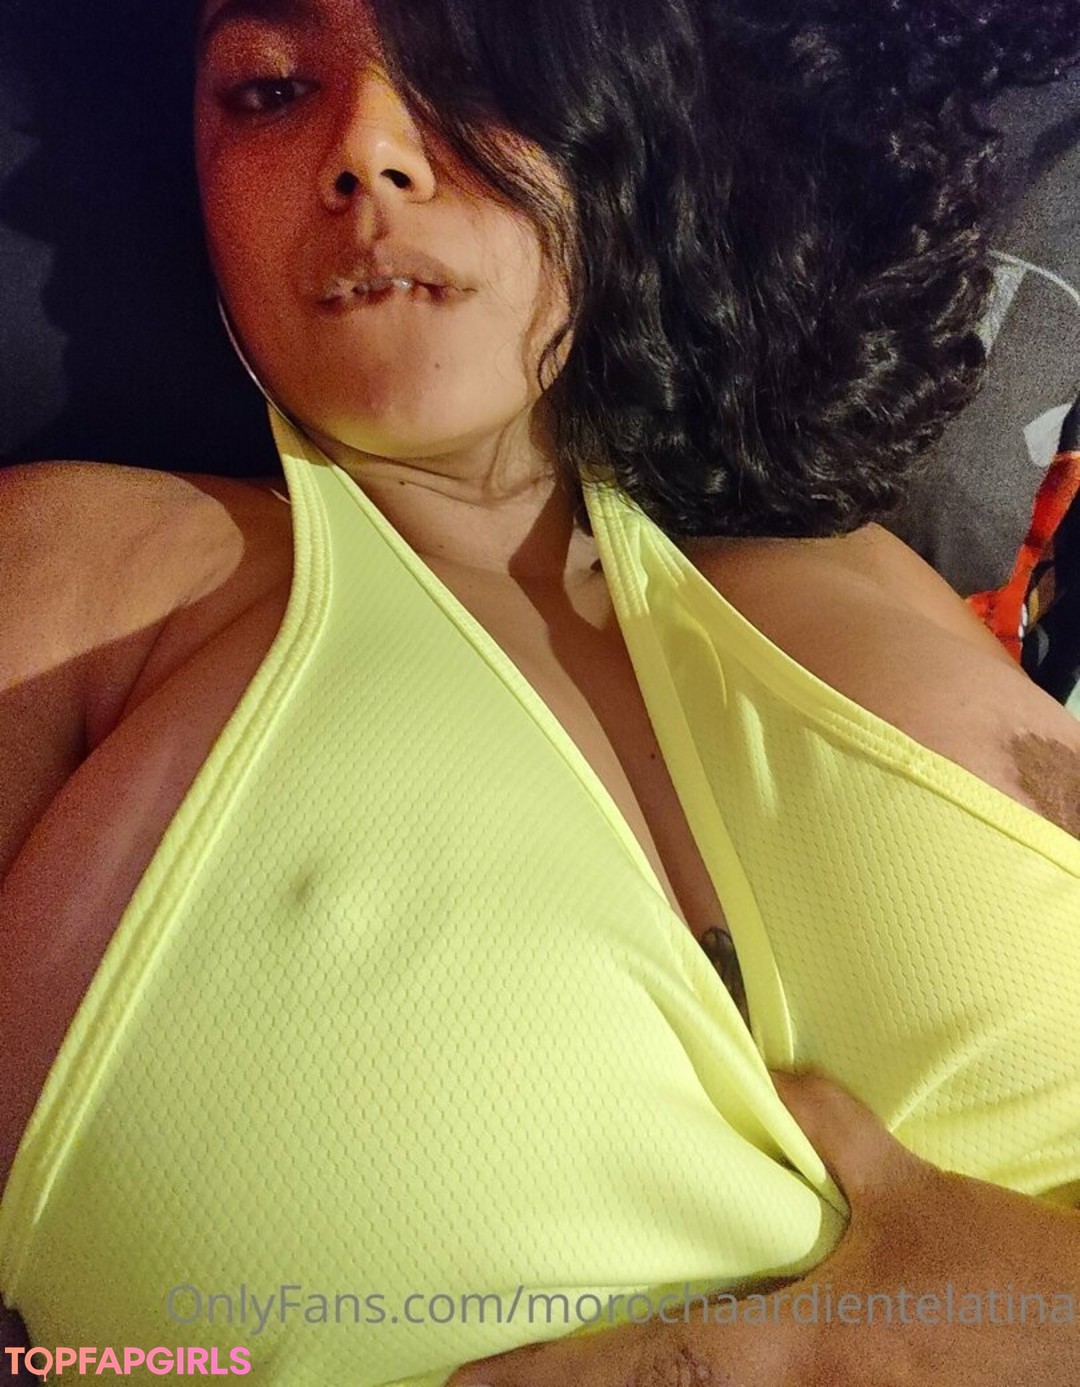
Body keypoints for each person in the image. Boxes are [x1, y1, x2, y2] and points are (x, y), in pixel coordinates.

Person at [1, 0, 1078, 1382]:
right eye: (268, 88)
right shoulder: (79, 586)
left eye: (470, 64)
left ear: (606, 133)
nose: (370, 146)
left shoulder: (854, 571)